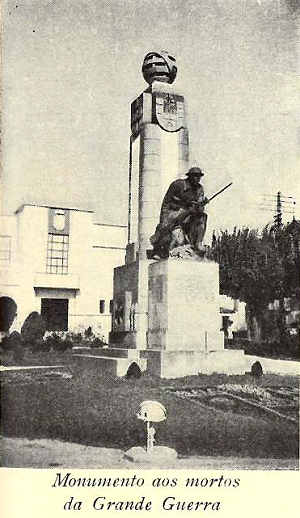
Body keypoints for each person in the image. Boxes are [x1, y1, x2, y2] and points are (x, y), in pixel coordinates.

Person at [150, 167, 208, 258]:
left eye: (199, 176)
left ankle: (198, 243)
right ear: (190, 176)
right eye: (195, 176)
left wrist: (201, 205)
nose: (197, 178)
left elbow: (200, 207)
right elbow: (167, 203)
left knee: (202, 216)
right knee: (177, 240)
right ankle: (160, 248)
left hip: (189, 216)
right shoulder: (178, 184)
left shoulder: (200, 189)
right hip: (173, 213)